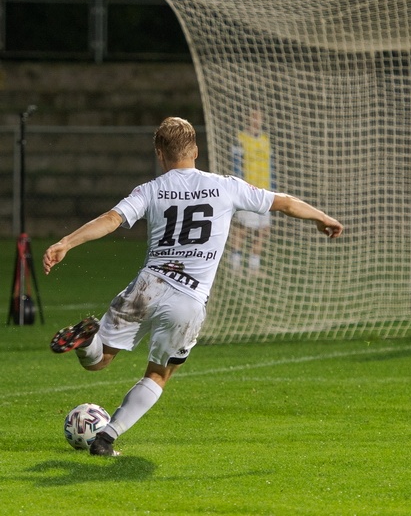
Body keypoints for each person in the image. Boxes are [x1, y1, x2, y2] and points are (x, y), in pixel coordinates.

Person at [44, 116, 343, 456]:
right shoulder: (225, 186)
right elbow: (285, 202)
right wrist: (322, 217)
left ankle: (86, 342)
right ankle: (105, 439)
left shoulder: (150, 190)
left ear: (160, 154)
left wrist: (66, 242)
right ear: (196, 150)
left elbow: (112, 220)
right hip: (187, 300)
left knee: (98, 361)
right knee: (159, 374)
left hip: (147, 287)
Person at [229, 108, 273, 275]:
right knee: (243, 228)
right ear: (247, 119)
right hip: (247, 191)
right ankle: (236, 264)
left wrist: (272, 186)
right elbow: (236, 165)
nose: (256, 120)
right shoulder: (241, 139)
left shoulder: (265, 140)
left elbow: (271, 166)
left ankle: (254, 266)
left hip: (265, 191)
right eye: (253, 116)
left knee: (263, 229)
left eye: (258, 117)